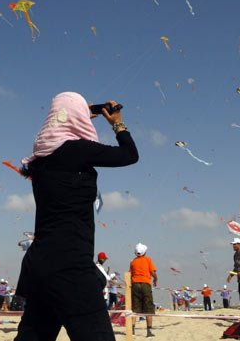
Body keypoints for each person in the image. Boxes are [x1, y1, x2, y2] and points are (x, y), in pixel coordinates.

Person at [13, 93, 139, 341]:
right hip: (70, 266)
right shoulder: (77, 150)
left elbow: (63, 146)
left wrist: (78, 115)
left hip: (38, 267)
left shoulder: (39, 159)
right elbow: (129, 154)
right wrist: (117, 123)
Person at [129, 243, 158, 336]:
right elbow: (153, 272)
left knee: (134, 308)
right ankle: (149, 331)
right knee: (148, 308)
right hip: (146, 284)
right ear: (144, 252)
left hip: (135, 284)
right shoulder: (148, 260)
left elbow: (130, 274)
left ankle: (132, 331)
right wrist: (155, 280)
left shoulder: (133, 262)